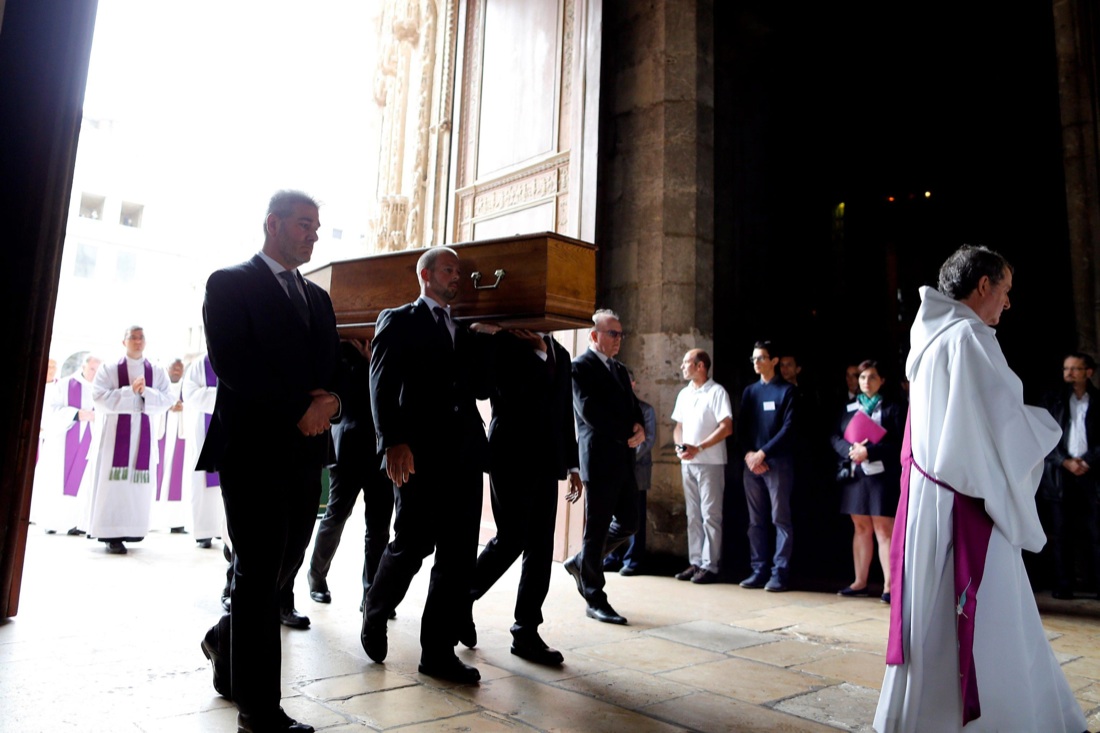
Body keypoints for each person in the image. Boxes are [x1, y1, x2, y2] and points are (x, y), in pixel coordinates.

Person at [874, 245, 1086, 733]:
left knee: (930, 614)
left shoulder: (927, 340)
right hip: (966, 500)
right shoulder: (970, 337)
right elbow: (1002, 424)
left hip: (930, 498)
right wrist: (1047, 433)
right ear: (983, 285)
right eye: (1006, 290)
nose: (1008, 304)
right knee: (993, 616)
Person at [198, 190, 343, 733]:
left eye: (317, 226)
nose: (313, 234)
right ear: (273, 224)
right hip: (254, 448)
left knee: (282, 568)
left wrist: (332, 403)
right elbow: (234, 364)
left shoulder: (318, 298)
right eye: (305, 224)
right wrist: (299, 410)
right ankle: (259, 712)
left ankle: (224, 636)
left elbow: (336, 364)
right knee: (260, 575)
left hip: (307, 452)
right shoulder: (230, 283)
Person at [360, 246, 491, 685]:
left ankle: (437, 653)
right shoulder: (398, 319)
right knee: (412, 544)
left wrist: (492, 340)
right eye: (450, 269)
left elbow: (482, 388)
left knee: (457, 555)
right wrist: (392, 441)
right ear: (426, 274)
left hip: (465, 456)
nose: (457, 277)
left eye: (460, 271)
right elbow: (380, 384)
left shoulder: (465, 331)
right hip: (417, 454)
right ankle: (375, 608)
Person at [469, 329, 582, 666]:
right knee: (511, 538)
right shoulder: (504, 343)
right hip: (510, 453)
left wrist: (573, 464)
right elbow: (493, 391)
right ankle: (460, 600)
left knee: (541, 546)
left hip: (548, 459)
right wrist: (525, 349)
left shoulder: (561, 353)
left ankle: (526, 632)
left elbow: (565, 414)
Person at [565, 309, 645, 625]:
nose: (618, 340)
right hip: (598, 459)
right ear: (594, 335)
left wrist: (639, 428)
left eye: (621, 334)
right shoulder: (579, 368)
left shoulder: (620, 370)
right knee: (596, 527)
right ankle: (595, 598)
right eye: (613, 333)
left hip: (624, 458)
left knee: (630, 521)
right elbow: (589, 413)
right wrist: (628, 431)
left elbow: (634, 408)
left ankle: (584, 561)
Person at [306, 339, 394, 613]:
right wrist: (369, 364)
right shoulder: (341, 348)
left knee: (378, 524)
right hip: (350, 443)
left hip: (381, 445)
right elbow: (342, 393)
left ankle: (372, 593)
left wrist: (375, 360)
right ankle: (316, 575)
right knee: (337, 515)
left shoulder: (387, 344)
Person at [86, 326, 174, 554]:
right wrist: (129, 391)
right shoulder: (109, 368)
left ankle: (133, 529)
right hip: (115, 437)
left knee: (136, 486)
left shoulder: (156, 370)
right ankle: (109, 533)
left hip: (143, 436)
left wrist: (146, 393)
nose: (137, 341)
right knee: (114, 484)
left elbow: (168, 399)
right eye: (132, 337)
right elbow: (98, 397)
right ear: (123, 341)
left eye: (141, 337)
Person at [829, 360, 903, 602]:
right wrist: (850, 450)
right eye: (862, 378)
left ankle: (889, 587)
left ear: (881, 380)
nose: (866, 382)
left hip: (881, 475)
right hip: (856, 474)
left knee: (884, 530)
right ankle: (859, 582)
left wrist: (870, 451)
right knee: (860, 528)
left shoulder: (893, 407)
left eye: (871, 377)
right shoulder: (849, 406)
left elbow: (900, 443)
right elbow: (835, 436)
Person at [1039, 352, 1100, 600]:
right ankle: (1064, 585)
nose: (1069, 374)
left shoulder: (1098, 401)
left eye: (1075, 369)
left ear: (1089, 372)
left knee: (1097, 533)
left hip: (1092, 474)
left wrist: (1087, 460)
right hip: (1061, 475)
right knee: (1062, 533)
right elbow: (1043, 435)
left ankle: (1097, 586)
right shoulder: (1053, 401)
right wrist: (1064, 460)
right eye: (1066, 369)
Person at [737, 340, 796, 592]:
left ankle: (779, 572)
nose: (756, 363)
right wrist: (751, 455)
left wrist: (763, 453)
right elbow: (742, 427)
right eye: (753, 359)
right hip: (753, 465)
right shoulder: (750, 391)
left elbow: (788, 428)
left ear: (773, 361)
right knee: (755, 521)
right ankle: (758, 568)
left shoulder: (787, 391)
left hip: (777, 463)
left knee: (780, 519)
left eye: (761, 358)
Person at [671, 349, 733, 584]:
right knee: (692, 515)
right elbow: (679, 427)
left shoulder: (717, 392)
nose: (682, 367)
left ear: (700, 366)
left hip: (711, 462)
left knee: (710, 515)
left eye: (686, 362)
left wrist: (699, 447)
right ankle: (695, 561)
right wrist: (680, 447)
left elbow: (726, 427)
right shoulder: (684, 393)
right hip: (688, 462)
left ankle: (710, 564)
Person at [29, 353, 101, 534]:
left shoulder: (101, 389)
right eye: (92, 368)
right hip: (62, 442)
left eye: (98, 369)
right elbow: (50, 411)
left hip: (88, 442)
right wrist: (76, 414)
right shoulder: (65, 385)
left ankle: (75, 523)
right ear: (83, 367)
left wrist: (97, 417)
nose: (95, 372)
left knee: (83, 482)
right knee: (56, 480)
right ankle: (51, 522)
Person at [603, 368, 656, 576]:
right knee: (612, 517)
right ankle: (612, 556)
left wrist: (626, 459)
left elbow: (648, 440)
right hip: (614, 471)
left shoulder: (646, 410)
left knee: (635, 517)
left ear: (632, 384)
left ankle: (633, 560)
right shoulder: (611, 409)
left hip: (637, 471)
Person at [182, 353, 225, 550]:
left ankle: (224, 531)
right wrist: (224, 394)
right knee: (202, 481)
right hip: (204, 429)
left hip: (230, 425)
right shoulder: (201, 363)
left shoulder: (239, 353)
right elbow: (190, 394)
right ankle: (203, 531)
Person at [153, 357, 189, 533]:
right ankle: (153, 519)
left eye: (179, 369)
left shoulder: (187, 386)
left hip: (180, 437)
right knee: (157, 475)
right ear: (167, 369)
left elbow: (194, 404)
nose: (176, 371)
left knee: (177, 479)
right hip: (162, 434)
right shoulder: (161, 385)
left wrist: (185, 408)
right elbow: (150, 402)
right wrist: (167, 407)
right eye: (174, 368)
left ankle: (176, 521)